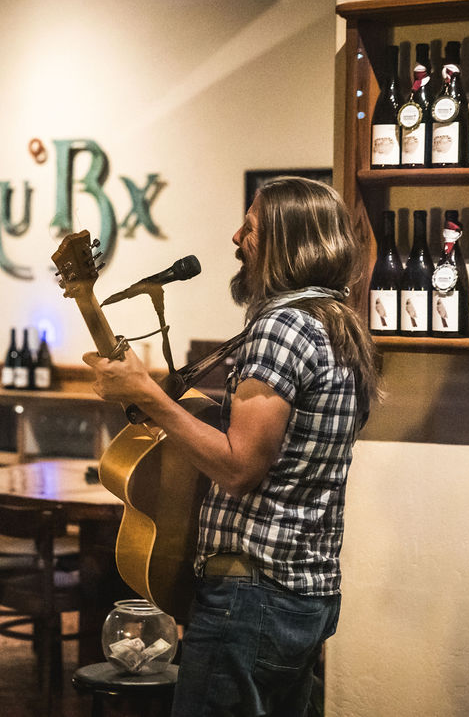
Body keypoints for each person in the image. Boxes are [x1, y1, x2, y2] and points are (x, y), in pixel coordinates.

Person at [82, 176, 379, 716]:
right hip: (301, 590)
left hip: (253, 595)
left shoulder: (282, 327)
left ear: (288, 244)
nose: (236, 237)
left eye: (252, 228)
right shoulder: (338, 325)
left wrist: (146, 393)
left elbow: (241, 468)